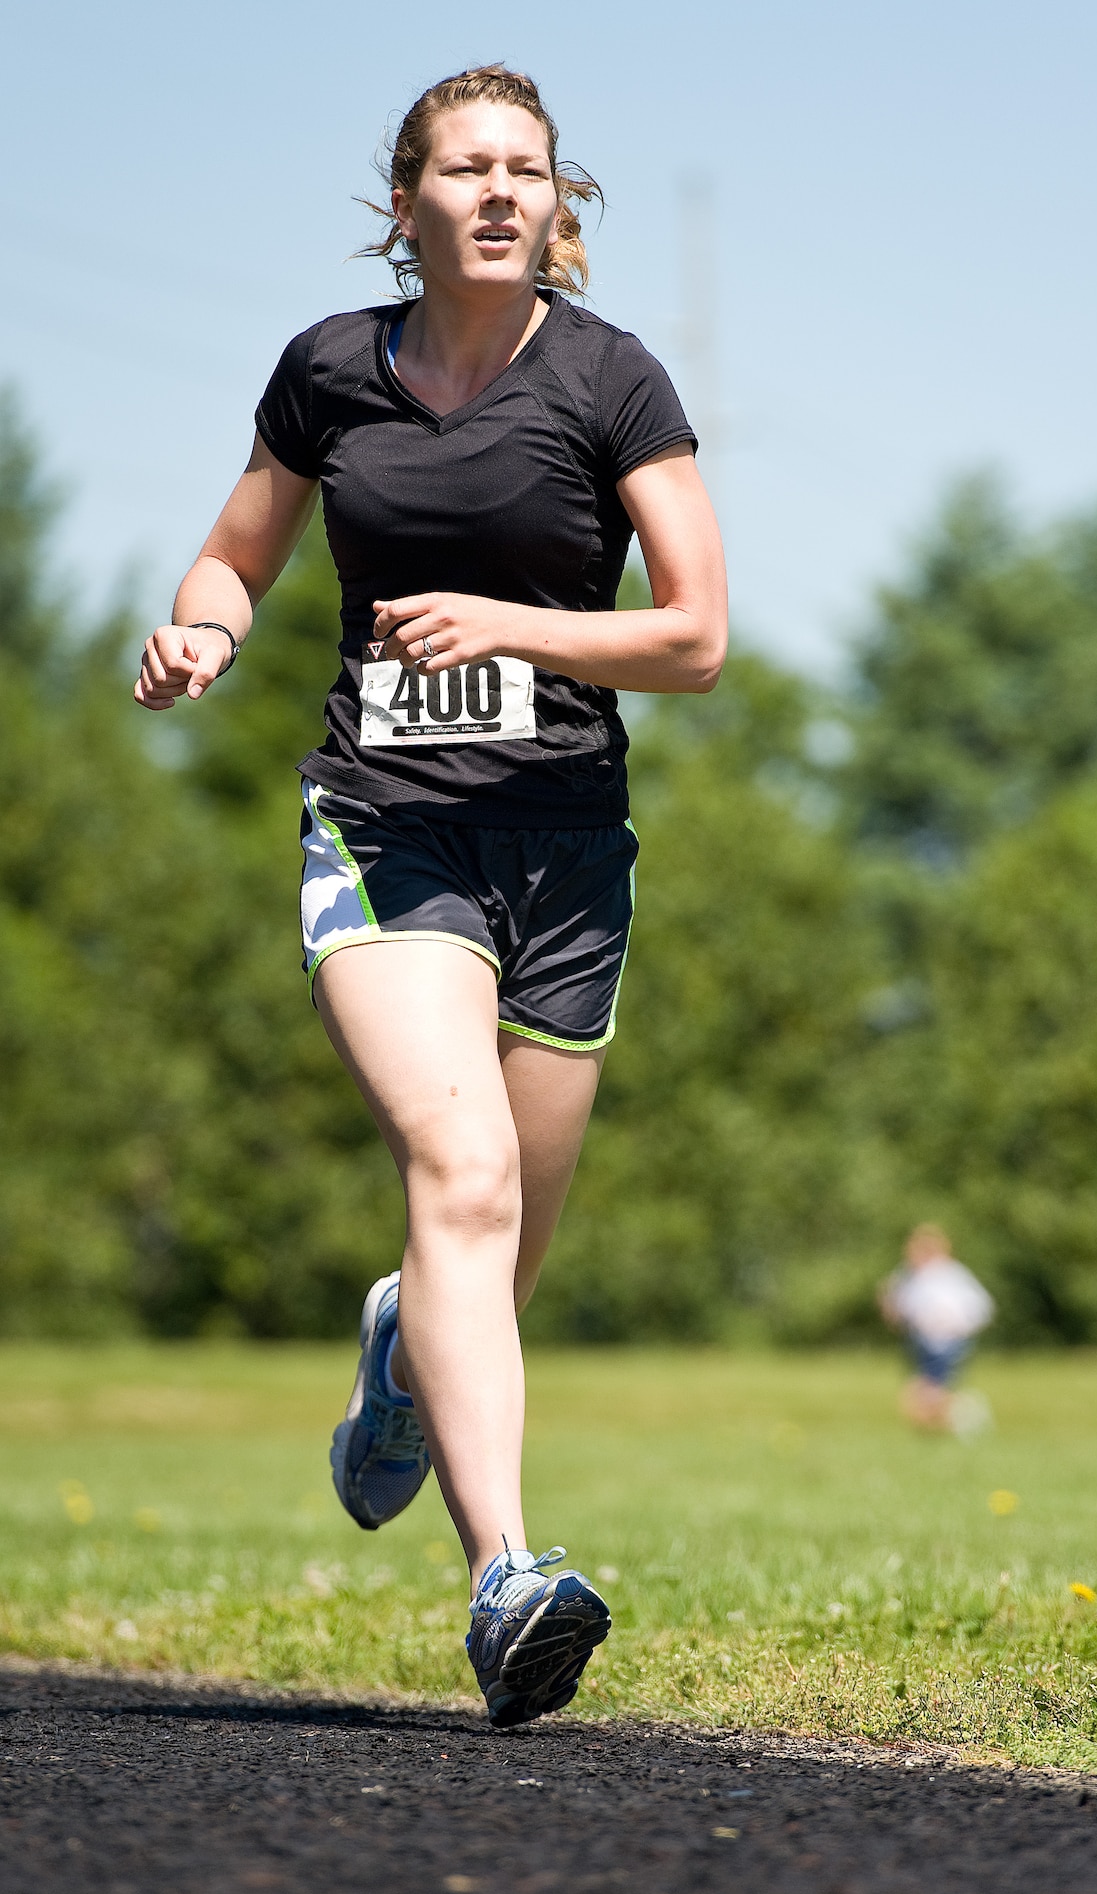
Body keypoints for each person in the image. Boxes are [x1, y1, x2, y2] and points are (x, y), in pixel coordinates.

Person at [134, 65, 726, 1726]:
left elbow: (696, 636)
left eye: (525, 171)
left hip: (566, 850)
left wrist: (515, 626)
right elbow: (235, 552)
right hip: (385, 828)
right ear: (406, 204)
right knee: (457, 1174)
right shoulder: (331, 372)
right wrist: (203, 632)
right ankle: (508, 1580)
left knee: (496, 1253)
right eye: (463, 169)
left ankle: (402, 1346)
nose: (496, 192)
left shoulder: (613, 383)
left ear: (558, 205)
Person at [878, 1226, 994, 1433]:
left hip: (947, 1341)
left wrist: (954, 1324)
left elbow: (979, 1307)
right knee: (926, 1388)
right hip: (923, 1341)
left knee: (927, 1390)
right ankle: (937, 1426)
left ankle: (965, 1414)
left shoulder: (950, 1275)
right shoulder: (910, 1277)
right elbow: (901, 1310)